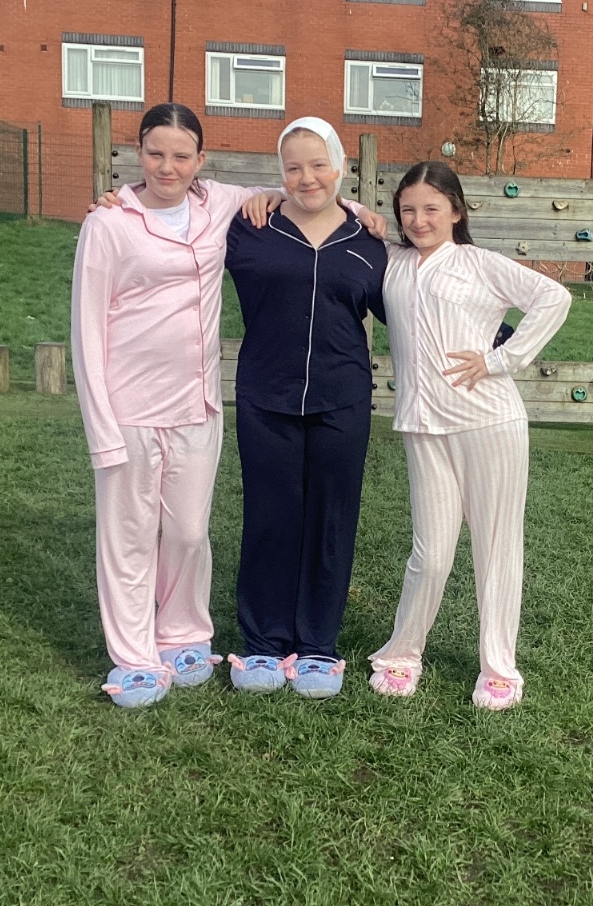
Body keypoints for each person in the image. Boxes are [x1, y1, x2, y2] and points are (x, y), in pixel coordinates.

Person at [72, 103, 381, 708]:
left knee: (189, 533)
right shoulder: (110, 222)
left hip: (197, 404)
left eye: (180, 155)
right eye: (155, 153)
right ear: (138, 154)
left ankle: (183, 636)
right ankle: (134, 658)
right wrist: (100, 426)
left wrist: (356, 210)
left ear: (201, 160)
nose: (167, 166)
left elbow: (303, 192)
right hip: (131, 404)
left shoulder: (221, 205)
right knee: (130, 535)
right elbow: (86, 328)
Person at [367, 162, 571, 710]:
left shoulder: (479, 263)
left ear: (456, 211)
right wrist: (356, 210)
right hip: (422, 425)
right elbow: (350, 222)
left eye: (431, 208)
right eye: (408, 209)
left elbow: (554, 298)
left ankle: (499, 669)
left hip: (490, 423)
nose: (418, 220)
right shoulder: (392, 262)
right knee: (430, 553)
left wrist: (501, 360)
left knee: (496, 548)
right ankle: (402, 654)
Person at [223, 118, 387, 700]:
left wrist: (495, 340)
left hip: (342, 400)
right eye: (293, 167)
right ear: (280, 173)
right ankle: (264, 642)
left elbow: (419, 305)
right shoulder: (250, 227)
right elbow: (184, 211)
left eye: (318, 164)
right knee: (270, 517)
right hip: (266, 397)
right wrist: (118, 205)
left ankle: (318, 643)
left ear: (339, 166)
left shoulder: (367, 242)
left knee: (330, 521)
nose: (306, 177)